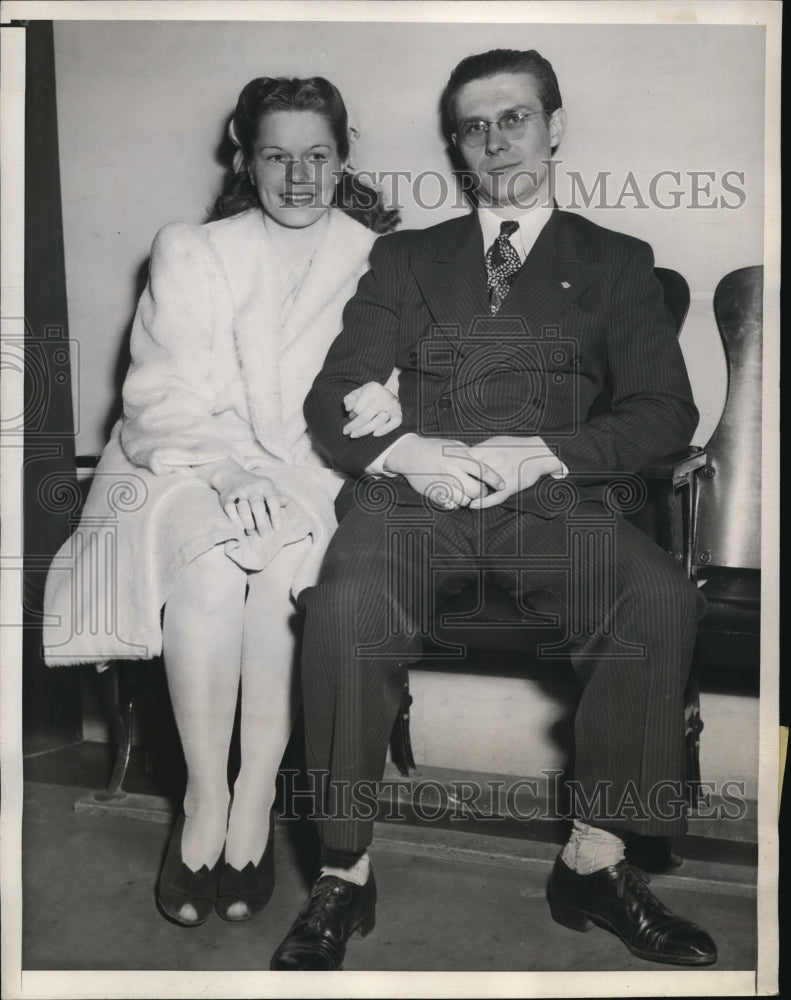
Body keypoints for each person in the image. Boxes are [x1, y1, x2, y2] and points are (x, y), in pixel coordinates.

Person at [270, 48, 718, 970]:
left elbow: (665, 413)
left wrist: (544, 451)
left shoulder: (616, 261)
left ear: (554, 127)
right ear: (455, 145)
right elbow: (334, 394)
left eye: (513, 117)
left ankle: (596, 861)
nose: (493, 138)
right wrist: (404, 449)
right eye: (473, 125)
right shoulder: (405, 258)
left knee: (658, 597)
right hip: (414, 502)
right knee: (346, 604)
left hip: (553, 503)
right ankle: (342, 873)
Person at [43, 76, 402, 927]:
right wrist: (228, 471)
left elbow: (389, 388)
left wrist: (379, 411)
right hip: (188, 465)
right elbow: (157, 399)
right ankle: (204, 799)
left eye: (317, 155)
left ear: (344, 158)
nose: (299, 175)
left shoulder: (382, 260)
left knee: (280, 560)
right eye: (276, 155)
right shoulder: (192, 249)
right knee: (206, 567)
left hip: (317, 471)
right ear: (245, 159)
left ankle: (255, 798)